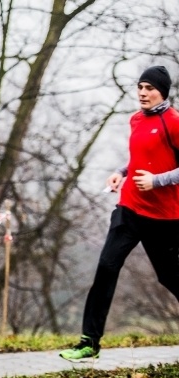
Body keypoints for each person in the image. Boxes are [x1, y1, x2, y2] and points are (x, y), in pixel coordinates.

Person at [59, 65, 179, 361]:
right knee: (107, 267)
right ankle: (89, 342)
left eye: (149, 88)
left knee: (170, 277)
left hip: (163, 217)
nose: (142, 92)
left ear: (162, 91)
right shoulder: (136, 120)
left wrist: (157, 181)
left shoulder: (173, 122)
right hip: (129, 209)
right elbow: (140, 156)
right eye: (140, 86)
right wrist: (120, 172)